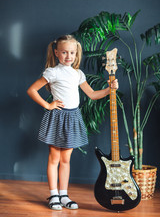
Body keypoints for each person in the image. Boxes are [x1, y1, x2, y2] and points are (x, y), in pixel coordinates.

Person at [27, 35, 118, 211]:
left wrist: (109, 89)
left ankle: (63, 195)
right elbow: (31, 90)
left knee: (66, 160)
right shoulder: (52, 72)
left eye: (72, 53)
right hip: (57, 117)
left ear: (77, 54)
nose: (69, 56)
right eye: (64, 52)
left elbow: (92, 94)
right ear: (56, 53)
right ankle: (53, 194)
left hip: (73, 118)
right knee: (54, 158)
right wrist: (48, 105)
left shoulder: (78, 74)